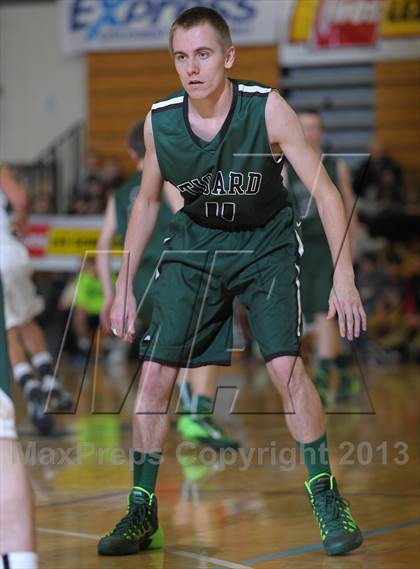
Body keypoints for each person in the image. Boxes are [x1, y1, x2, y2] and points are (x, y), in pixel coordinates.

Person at [98, 7, 366, 558]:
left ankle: (327, 495)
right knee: (152, 378)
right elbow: (147, 200)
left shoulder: (267, 109)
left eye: (203, 54)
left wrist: (344, 275)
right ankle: (141, 510)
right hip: (195, 244)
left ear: (227, 57)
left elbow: (327, 194)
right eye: (181, 56)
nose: (192, 67)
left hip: (264, 242)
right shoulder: (160, 121)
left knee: (286, 365)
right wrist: (124, 284)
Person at [96, 121, 238, 449]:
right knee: (211, 327)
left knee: (170, 349)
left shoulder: (117, 194)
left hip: (137, 283)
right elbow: (189, 218)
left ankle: (178, 418)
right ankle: (196, 414)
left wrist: (112, 292)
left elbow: (104, 245)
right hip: (170, 275)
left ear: (132, 153)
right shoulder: (167, 178)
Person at [286, 109, 359, 404]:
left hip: (329, 246)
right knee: (318, 313)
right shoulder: (285, 166)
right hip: (301, 249)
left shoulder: (334, 165)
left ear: (321, 132)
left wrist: (349, 255)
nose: (307, 132)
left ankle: (320, 379)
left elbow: (349, 211)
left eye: (313, 127)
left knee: (323, 311)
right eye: (302, 127)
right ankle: (345, 374)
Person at [0, 165, 72, 436]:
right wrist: (22, 219)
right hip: (9, 252)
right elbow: (20, 199)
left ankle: (30, 388)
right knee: (26, 319)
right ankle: (50, 380)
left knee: (9, 329)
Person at [0, 182, 38, 567]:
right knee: (23, 326)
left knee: (17, 328)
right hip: (8, 253)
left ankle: (33, 378)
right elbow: (21, 198)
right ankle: (37, 378)